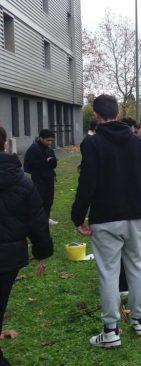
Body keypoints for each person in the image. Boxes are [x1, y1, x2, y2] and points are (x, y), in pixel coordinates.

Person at [71, 94, 141, 348]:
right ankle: (140, 320)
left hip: (105, 218)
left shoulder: (93, 143)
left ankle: (111, 331)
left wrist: (78, 217)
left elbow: (86, 183)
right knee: (137, 267)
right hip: (133, 216)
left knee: (108, 273)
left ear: (96, 116)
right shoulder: (138, 142)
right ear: (118, 114)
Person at [0, 126, 53, 366]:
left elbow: (37, 219)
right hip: (7, 259)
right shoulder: (22, 181)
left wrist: (41, 252)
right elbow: (37, 221)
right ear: (5, 145)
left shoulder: (21, 182)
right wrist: (41, 253)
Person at [23, 129, 58, 225]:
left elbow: (53, 165)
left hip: (49, 178)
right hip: (39, 179)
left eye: (51, 140)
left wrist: (53, 162)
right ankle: (38, 220)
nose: (50, 142)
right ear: (41, 138)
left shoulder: (50, 149)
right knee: (39, 200)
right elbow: (28, 165)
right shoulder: (33, 149)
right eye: (48, 140)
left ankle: (46, 218)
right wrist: (44, 161)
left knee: (49, 200)